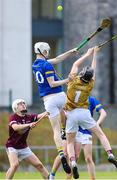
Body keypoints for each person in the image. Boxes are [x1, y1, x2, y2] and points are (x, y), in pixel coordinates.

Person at [65, 46, 117, 179]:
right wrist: (95, 54)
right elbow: (93, 69)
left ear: (81, 74)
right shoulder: (90, 84)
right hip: (84, 113)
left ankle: (73, 162)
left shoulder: (72, 81)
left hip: (71, 114)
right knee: (101, 134)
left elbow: (75, 64)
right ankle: (110, 154)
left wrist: (87, 53)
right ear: (89, 77)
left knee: (69, 142)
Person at [32, 42, 77, 174]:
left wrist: (70, 52)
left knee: (55, 130)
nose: (48, 53)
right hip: (58, 95)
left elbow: (57, 59)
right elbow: (52, 83)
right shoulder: (46, 65)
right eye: (47, 51)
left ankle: (62, 155)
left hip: (48, 101)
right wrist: (67, 80)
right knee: (66, 117)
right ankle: (66, 133)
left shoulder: (36, 64)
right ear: (44, 51)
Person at [49, 96, 107, 180]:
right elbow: (62, 113)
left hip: (85, 131)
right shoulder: (70, 97)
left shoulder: (91, 99)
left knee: (81, 158)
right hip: (71, 129)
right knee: (64, 153)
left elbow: (103, 113)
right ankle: (52, 175)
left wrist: (97, 124)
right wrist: (62, 126)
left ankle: (73, 178)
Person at [5, 99, 49, 180]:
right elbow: (15, 127)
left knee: (39, 165)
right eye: (20, 104)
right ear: (15, 108)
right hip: (12, 146)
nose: (23, 104)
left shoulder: (29, 117)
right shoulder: (13, 117)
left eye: (24, 103)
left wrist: (49, 110)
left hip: (23, 147)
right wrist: (29, 125)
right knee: (14, 165)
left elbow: (42, 115)